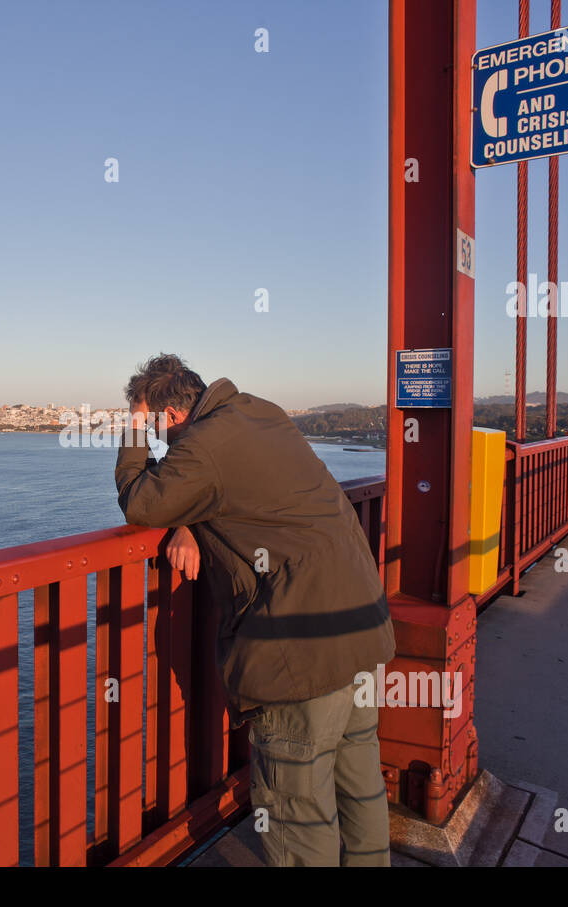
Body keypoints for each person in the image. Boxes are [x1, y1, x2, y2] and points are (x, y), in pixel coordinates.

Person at [114, 353, 395, 866]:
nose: (155, 438)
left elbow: (141, 503)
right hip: (359, 624)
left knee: (295, 810)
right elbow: (250, 492)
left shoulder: (200, 447)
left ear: (170, 416)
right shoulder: (260, 412)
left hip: (301, 653)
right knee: (359, 785)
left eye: (151, 425)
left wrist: (131, 435)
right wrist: (191, 523)